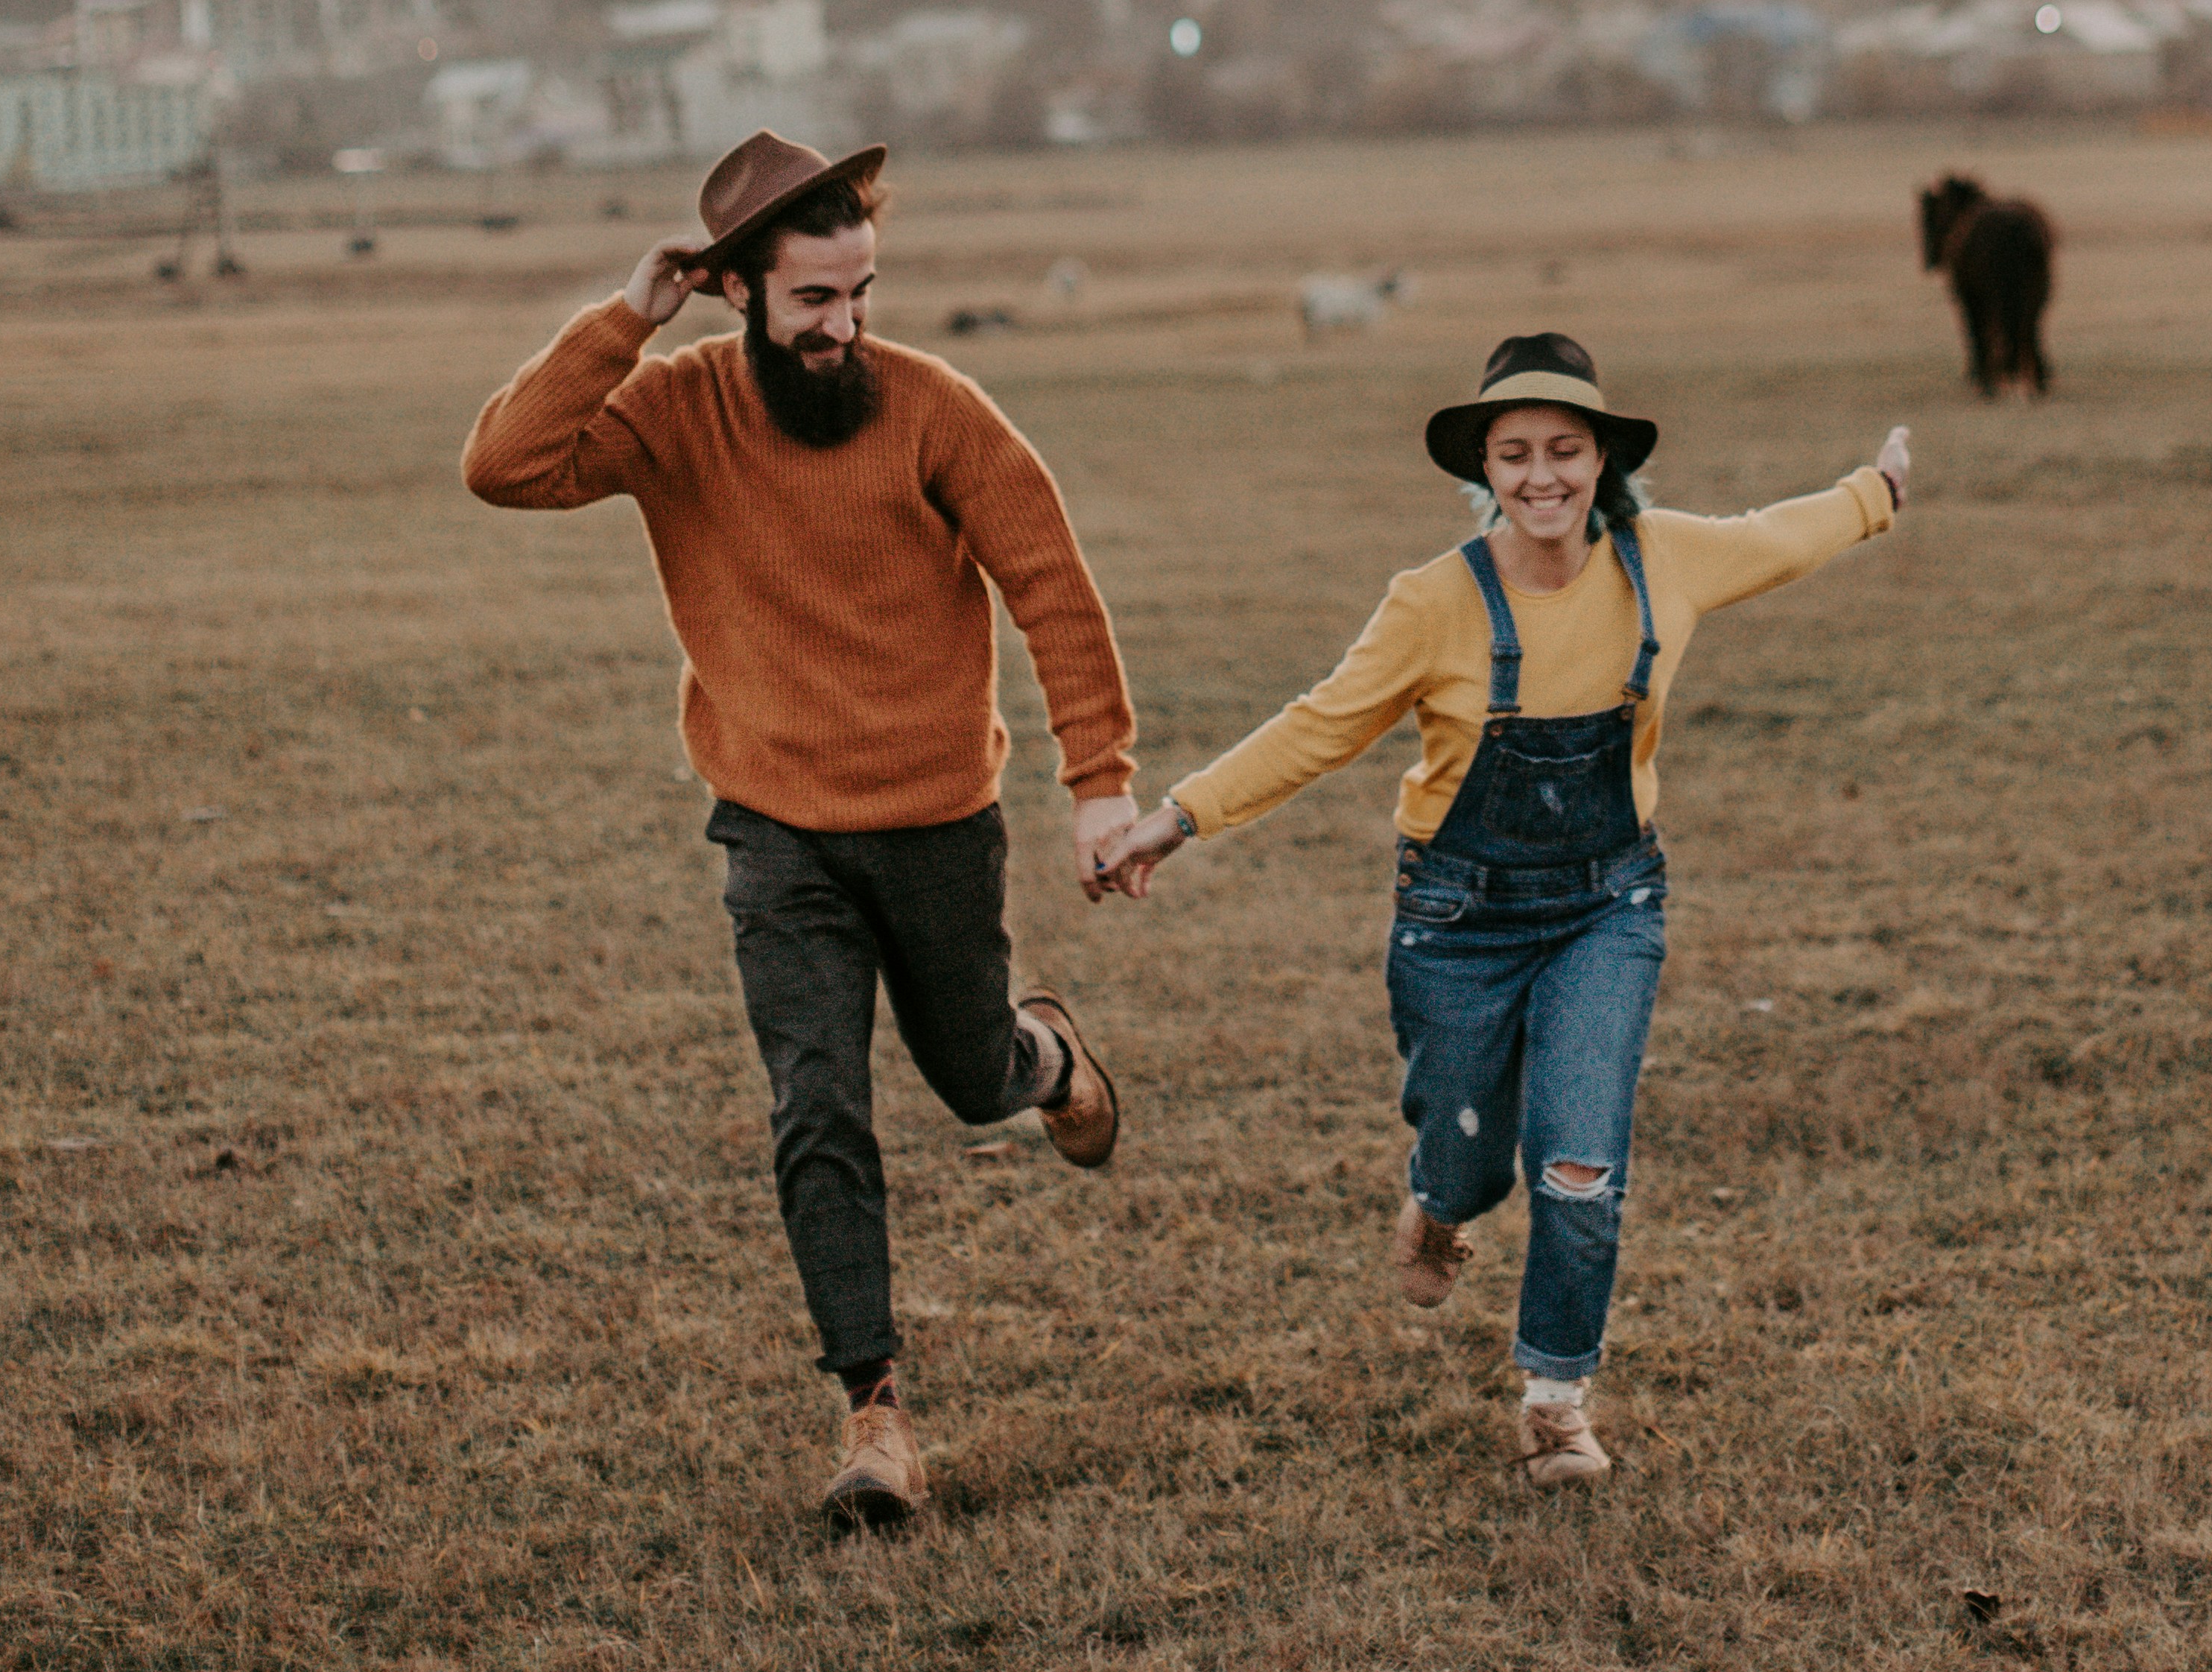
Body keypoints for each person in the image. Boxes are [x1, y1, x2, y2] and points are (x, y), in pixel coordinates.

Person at [462, 127, 1138, 1533]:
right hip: (773, 827)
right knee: (817, 1103)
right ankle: (876, 1412)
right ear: (737, 293)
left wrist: (1100, 782)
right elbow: (504, 466)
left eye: (861, 293)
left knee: (967, 1078)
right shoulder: (672, 409)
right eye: (815, 300)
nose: (846, 328)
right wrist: (622, 318)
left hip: (939, 820)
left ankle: (1046, 1053)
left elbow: (1052, 587)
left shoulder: (936, 409)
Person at [1100, 329, 1908, 1488]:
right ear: (1487, 466)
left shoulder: (1661, 561)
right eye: (1516, 454)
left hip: (1607, 909)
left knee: (1580, 1166)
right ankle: (1438, 1201)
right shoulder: (1433, 602)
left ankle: (1554, 1399)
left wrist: (1874, 493)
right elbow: (1321, 726)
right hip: (1457, 920)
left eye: (1565, 451)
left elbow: (1780, 538)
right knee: (1473, 1161)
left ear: (1600, 461)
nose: (1543, 478)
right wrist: (1177, 819)